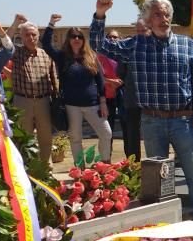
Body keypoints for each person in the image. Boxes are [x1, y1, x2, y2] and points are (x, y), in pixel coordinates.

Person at [90, 0, 193, 234]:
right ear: (148, 20)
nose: (163, 18)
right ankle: (163, 224)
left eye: (166, 13)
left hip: (183, 120)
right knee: (157, 179)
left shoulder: (186, 44)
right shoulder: (135, 45)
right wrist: (99, 15)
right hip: (152, 121)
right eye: (157, 14)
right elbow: (99, 45)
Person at [43, 15, 112, 163]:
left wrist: (103, 101)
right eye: (73, 36)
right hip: (71, 105)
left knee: (106, 133)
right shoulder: (62, 57)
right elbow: (46, 45)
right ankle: (80, 171)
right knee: (75, 139)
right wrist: (51, 24)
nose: (76, 39)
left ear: (83, 39)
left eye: (79, 36)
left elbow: (100, 80)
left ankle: (105, 165)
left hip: (93, 104)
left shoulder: (91, 56)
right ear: (68, 39)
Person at [10, 20, 59, 164]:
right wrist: (14, 23)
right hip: (22, 101)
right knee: (23, 139)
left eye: (33, 34)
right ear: (21, 37)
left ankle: (45, 170)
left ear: (38, 36)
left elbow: (53, 77)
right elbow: (4, 43)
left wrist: (56, 99)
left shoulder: (46, 54)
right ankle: (25, 171)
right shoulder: (16, 53)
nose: (31, 38)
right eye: (27, 35)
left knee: (45, 138)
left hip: (43, 101)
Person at [118, 20, 147, 160]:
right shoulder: (128, 47)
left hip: (153, 101)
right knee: (133, 134)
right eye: (139, 31)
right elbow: (120, 72)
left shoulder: (159, 46)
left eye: (144, 31)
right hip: (133, 98)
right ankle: (134, 166)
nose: (141, 34)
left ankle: (158, 166)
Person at [99, 29, 125, 135]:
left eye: (115, 37)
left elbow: (130, 73)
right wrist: (110, 81)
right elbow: (96, 75)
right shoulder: (100, 55)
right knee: (108, 128)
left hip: (122, 94)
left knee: (126, 126)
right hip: (107, 95)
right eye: (109, 37)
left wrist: (121, 82)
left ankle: (130, 152)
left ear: (120, 39)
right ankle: (107, 152)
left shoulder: (124, 55)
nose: (112, 39)